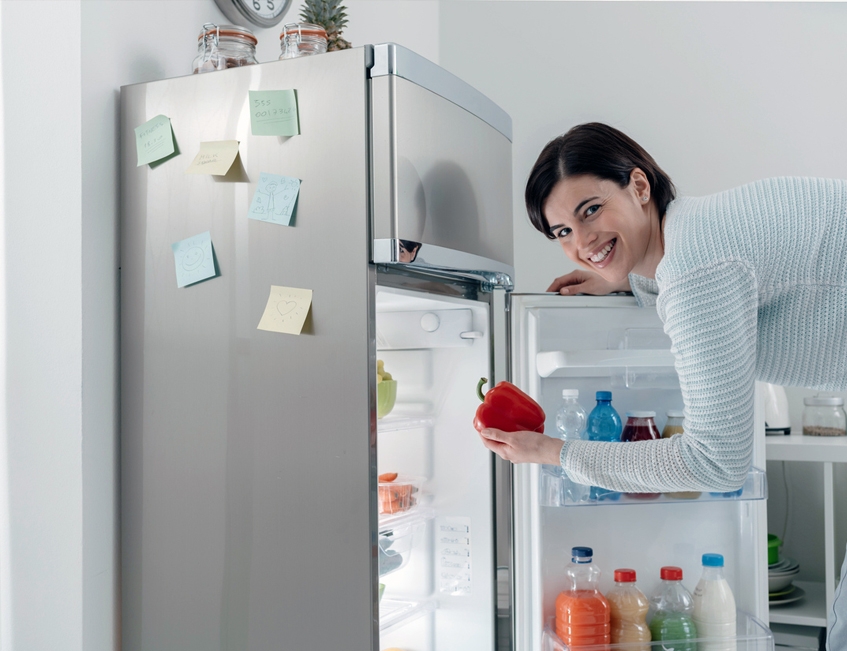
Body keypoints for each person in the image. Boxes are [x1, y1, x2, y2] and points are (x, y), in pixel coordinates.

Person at [475, 122, 847, 650]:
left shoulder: (696, 267)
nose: (581, 243)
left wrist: (556, 452)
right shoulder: (696, 235)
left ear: (640, 187)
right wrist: (626, 277)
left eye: (590, 211)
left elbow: (717, 463)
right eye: (561, 233)